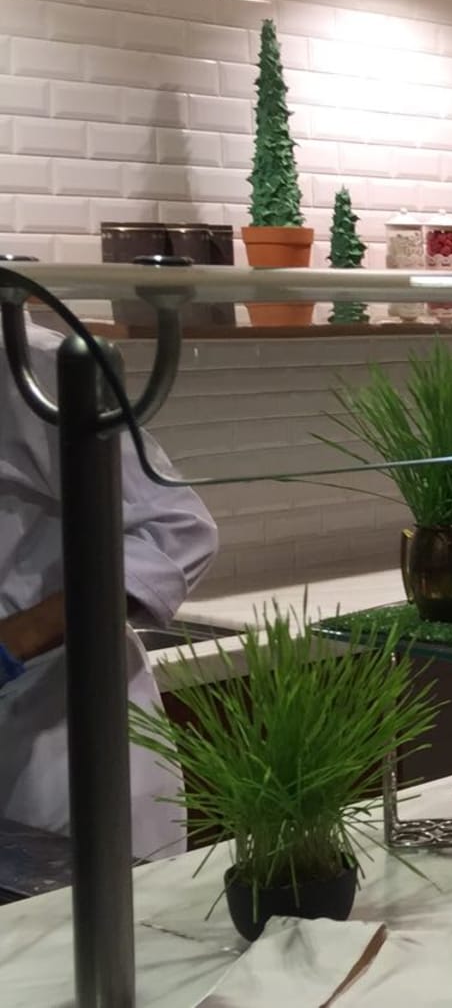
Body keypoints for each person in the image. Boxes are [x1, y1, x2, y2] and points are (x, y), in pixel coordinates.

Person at [0, 320, 217, 859]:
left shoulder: (33, 364)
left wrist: (13, 640)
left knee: (92, 909)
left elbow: (177, 532)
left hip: (62, 754)